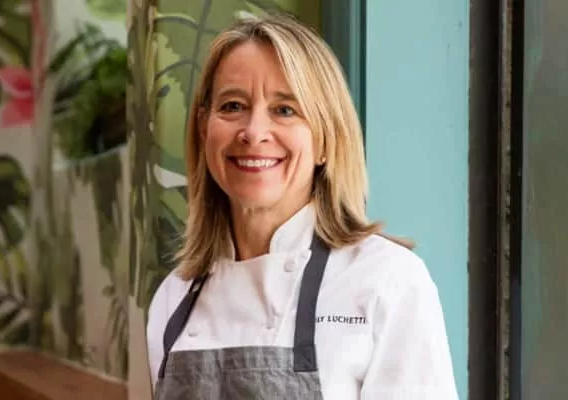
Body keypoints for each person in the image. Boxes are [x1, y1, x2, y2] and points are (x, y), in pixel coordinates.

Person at [146, 13, 459, 400]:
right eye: (232, 105)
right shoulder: (173, 298)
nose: (254, 132)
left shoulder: (387, 282)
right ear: (203, 127)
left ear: (325, 139)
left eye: (285, 110)